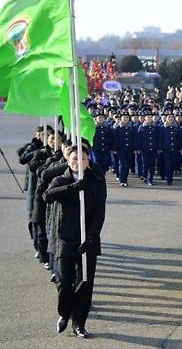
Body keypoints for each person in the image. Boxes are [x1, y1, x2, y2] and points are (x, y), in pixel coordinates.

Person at [44, 145, 106, 338]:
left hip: (88, 241)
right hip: (65, 238)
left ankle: (79, 323)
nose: (79, 162)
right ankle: (64, 313)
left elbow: (99, 212)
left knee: (85, 284)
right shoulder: (60, 179)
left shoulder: (96, 181)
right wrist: (72, 188)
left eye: (83, 159)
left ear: (89, 161)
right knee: (64, 282)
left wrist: (92, 237)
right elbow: (48, 196)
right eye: (75, 159)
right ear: (68, 161)